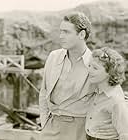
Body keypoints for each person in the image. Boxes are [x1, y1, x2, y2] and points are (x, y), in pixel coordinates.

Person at [39, 12, 117, 140]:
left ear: (82, 34)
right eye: (60, 31)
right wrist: (44, 124)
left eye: (66, 32)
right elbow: (43, 92)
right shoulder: (53, 57)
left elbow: (111, 98)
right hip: (51, 128)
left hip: (81, 130)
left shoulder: (96, 63)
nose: (61, 36)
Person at [86, 47, 128, 140]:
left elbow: (125, 133)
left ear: (110, 72)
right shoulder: (96, 89)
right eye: (89, 66)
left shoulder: (116, 100)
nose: (89, 70)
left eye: (95, 68)